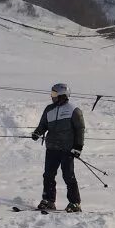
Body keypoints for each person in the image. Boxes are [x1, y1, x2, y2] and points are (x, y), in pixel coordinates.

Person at [31, 82, 84, 212]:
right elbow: (43, 124)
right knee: (48, 175)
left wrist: (78, 147)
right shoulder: (49, 109)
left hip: (67, 149)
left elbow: (80, 129)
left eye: (54, 94)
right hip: (52, 148)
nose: (52, 96)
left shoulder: (73, 109)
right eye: (52, 93)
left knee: (68, 175)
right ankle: (48, 200)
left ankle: (75, 203)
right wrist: (38, 132)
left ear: (62, 95)